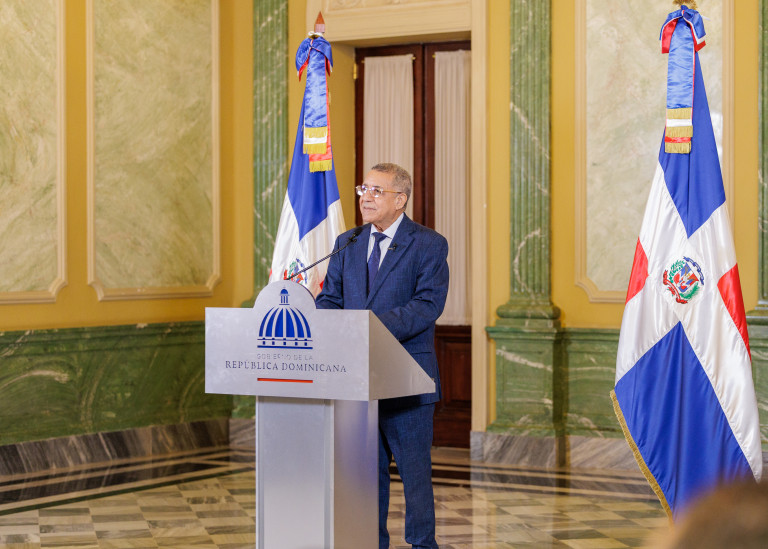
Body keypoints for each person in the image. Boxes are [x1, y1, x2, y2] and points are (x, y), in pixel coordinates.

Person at [316, 162, 449, 549]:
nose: (366, 197)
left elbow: (426, 306)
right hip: (357, 381)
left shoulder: (429, 244)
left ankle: (422, 544)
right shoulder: (348, 241)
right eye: (364, 189)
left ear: (400, 199)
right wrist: (330, 324)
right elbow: (329, 299)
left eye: (376, 191)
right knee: (367, 477)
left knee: (414, 476)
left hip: (407, 380)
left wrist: (365, 326)